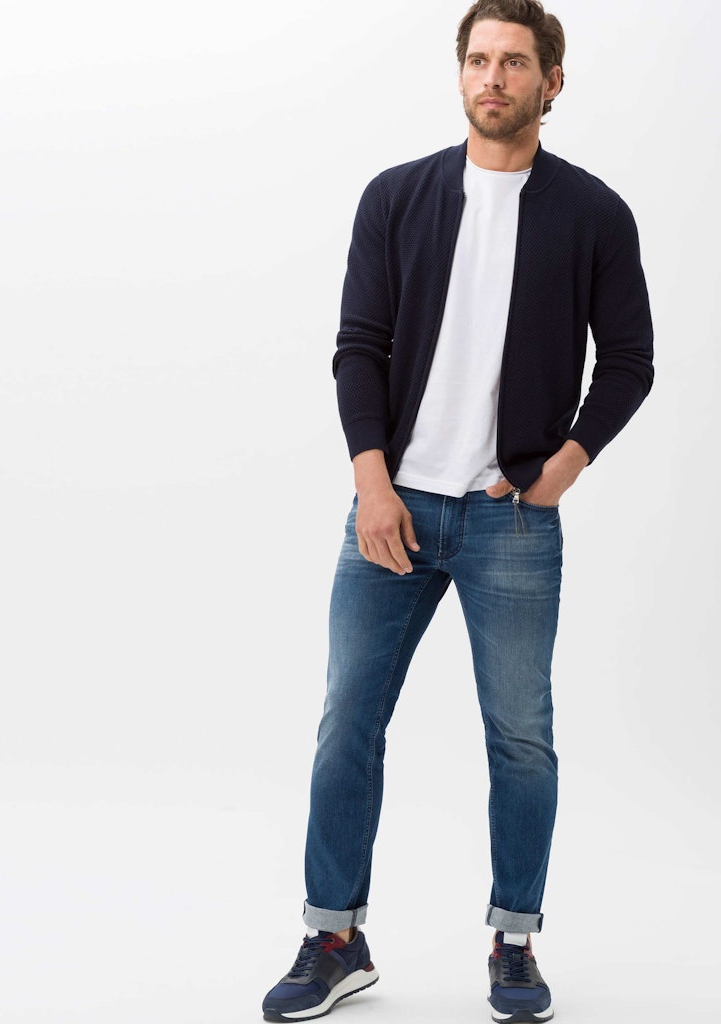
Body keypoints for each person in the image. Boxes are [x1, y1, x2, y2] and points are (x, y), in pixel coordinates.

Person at [262, 0, 654, 1020]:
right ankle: (334, 936)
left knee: (520, 736)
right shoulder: (397, 197)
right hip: (392, 508)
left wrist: (565, 463)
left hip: (508, 519)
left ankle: (512, 942)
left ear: (550, 82)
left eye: (514, 62)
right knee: (347, 722)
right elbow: (358, 346)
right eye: (478, 59)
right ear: (459, 73)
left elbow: (628, 360)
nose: (493, 77)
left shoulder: (593, 213)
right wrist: (371, 481)